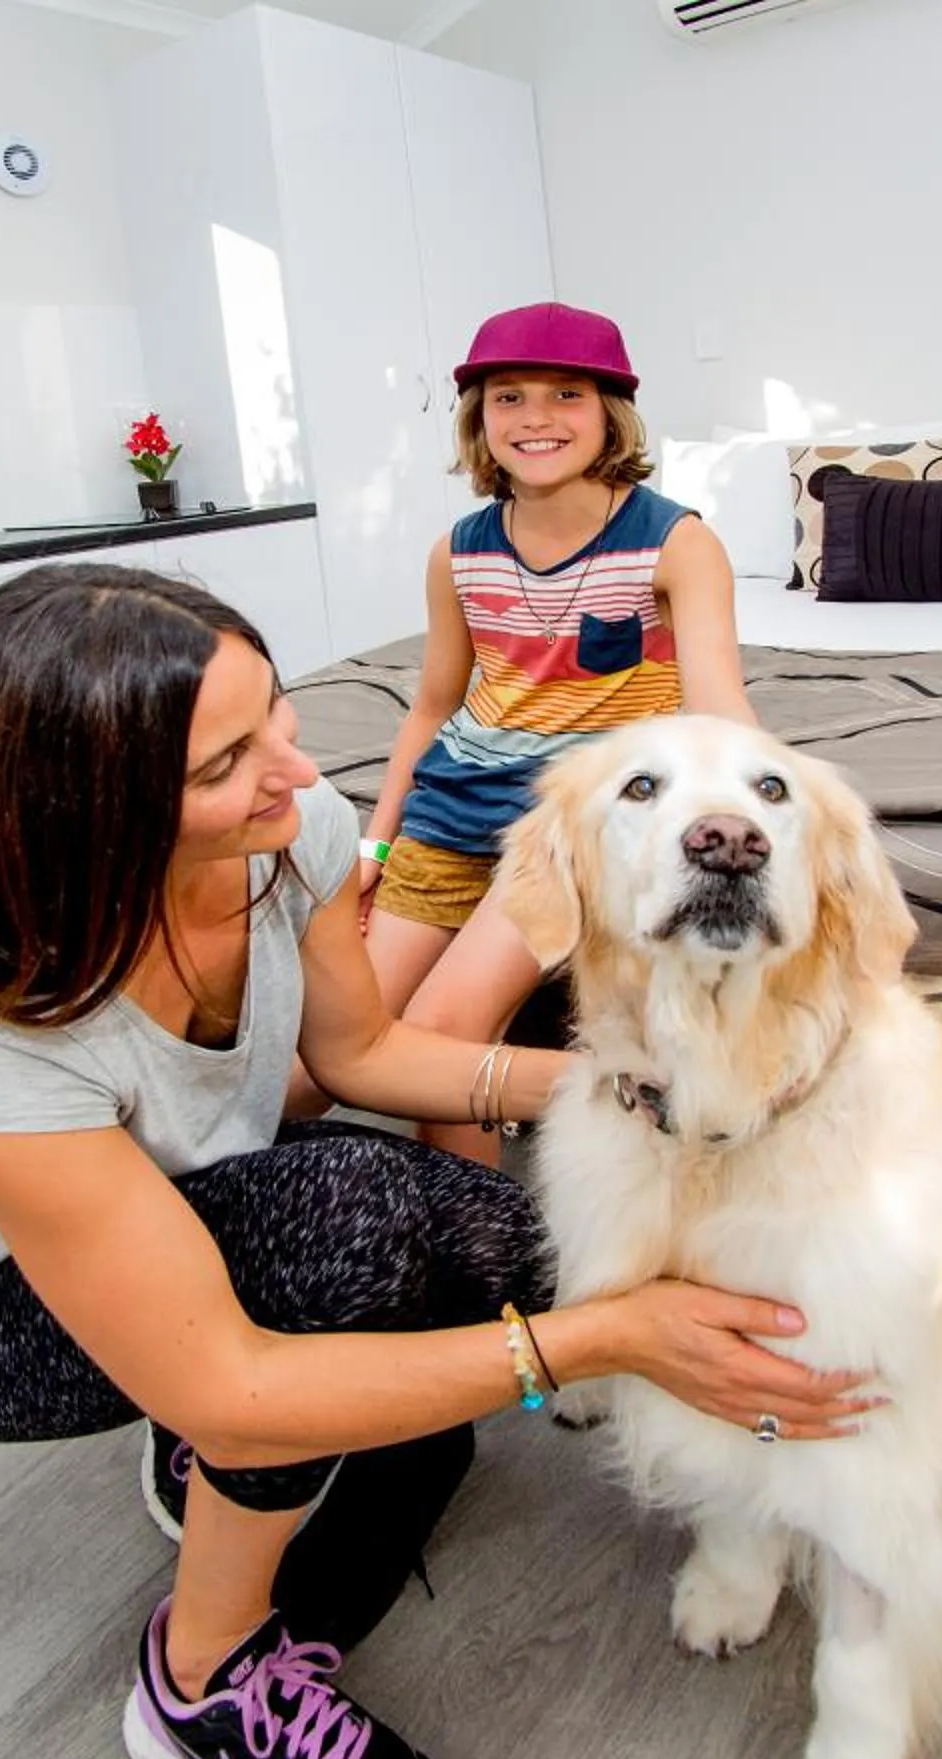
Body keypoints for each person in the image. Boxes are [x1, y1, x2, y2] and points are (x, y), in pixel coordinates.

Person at [0, 564, 869, 1759]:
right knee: (347, 1255)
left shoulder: (292, 830)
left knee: (517, 1251)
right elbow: (237, 1386)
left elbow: (360, 1051)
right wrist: (599, 1342)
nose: (299, 770)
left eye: (276, 716)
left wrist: (635, 1094)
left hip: (192, 1202)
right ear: (95, 812)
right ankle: (201, 1684)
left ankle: (211, 1403)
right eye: (226, 763)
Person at [346, 301, 753, 1164]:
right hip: (448, 814)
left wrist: (778, 818)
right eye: (509, 397)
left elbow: (719, 709)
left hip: (570, 827)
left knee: (442, 1031)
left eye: (567, 394)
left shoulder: (677, 544)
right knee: (337, 1042)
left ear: (610, 414)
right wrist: (374, 847)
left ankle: (477, 1236)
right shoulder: (458, 552)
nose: (536, 417)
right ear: (479, 418)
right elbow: (432, 708)